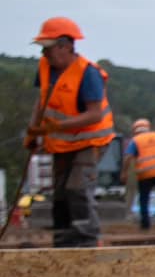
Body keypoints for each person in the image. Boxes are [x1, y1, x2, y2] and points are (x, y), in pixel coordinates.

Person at [26, 18, 114, 248]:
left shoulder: (88, 73)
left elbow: (94, 114)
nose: (44, 54)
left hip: (90, 141)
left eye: (48, 48)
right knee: (60, 192)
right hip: (62, 143)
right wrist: (33, 132)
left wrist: (56, 128)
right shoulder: (45, 68)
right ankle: (64, 239)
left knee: (78, 187)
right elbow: (41, 100)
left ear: (66, 45)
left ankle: (87, 238)